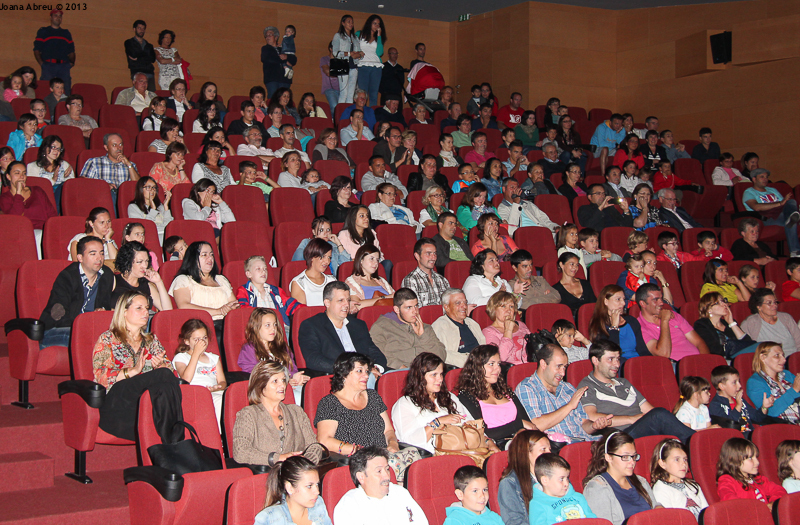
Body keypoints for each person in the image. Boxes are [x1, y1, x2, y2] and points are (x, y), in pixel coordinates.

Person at [91, 291, 180, 441]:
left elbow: (170, 375)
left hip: (143, 406)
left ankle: (171, 441)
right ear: (124, 312)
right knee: (163, 375)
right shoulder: (108, 339)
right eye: (139, 308)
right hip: (116, 406)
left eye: (147, 308)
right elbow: (101, 376)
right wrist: (132, 371)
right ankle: (178, 436)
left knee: (164, 382)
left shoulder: (151, 340)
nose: (146, 312)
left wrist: (158, 365)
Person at [578, 340, 695, 442]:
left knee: (659, 415)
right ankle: (695, 441)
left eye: (618, 359)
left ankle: (693, 439)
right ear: (595, 360)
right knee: (659, 415)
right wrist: (631, 419)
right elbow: (591, 416)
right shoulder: (587, 385)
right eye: (610, 359)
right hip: (620, 436)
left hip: (641, 429)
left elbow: (649, 411)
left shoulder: (624, 383)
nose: (617, 364)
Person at [315, 353, 409, 473]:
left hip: (384, 456)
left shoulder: (373, 396)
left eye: (367, 371)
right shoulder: (330, 403)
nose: (366, 376)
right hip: (357, 461)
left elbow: (388, 431)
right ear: (344, 374)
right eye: (359, 371)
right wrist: (357, 450)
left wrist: (393, 443)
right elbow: (325, 440)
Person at [516, 343, 612, 443]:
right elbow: (537, 426)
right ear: (543, 364)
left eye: (565, 367)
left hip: (584, 441)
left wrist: (594, 426)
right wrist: (569, 406)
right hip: (557, 446)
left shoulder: (568, 388)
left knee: (616, 441)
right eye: (558, 366)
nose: (563, 373)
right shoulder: (527, 388)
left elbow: (584, 424)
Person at [232, 360, 317, 467]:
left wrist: (304, 463)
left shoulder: (297, 412)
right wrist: (278, 458)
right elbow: (240, 452)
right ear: (260, 386)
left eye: (283, 380)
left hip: (297, 472)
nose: (282, 385)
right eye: (275, 381)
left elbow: (314, 446)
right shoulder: (248, 415)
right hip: (266, 473)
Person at [39, 236, 114, 348]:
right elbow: (58, 314)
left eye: (101, 253)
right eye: (93, 254)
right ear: (80, 258)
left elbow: (105, 304)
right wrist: (83, 326)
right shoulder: (67, 277)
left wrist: (102, 310)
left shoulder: (106, 275)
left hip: (90, 330)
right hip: (58, 329)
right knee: (85, 338)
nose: (99, 258)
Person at [391, 352, 474, 453]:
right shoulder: (405, 403)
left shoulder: (449, 397)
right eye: (434, 375)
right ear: (420, 376)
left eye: (441, 374)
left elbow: (469, 421)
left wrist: (487, 441)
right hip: (432, 455)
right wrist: (438, 422)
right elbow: (408, 440)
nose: (440, 379)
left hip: (463, 448)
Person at [457, 345, 536, 449]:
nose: (498, 369)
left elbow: (528, 423)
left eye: (498, 364)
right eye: (491, 364)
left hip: (520, 442)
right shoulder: (467, 396)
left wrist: (521, 430)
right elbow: (485, 433)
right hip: (495, 446)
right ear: (477, 367)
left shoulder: (505, 391)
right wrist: (519, 424)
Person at [168, 241, 239, 351]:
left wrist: (231, 309)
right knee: (221, 336)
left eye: (211, 254)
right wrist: (218, 311)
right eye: (204, 255)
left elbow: (234, 305)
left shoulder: (221, 279)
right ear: (193, 258)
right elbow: (183, 306)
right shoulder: (183, 280)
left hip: (227, 324)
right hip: (201, 327)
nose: (210, 258)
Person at [333, 446, 428, 525]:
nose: (387, 476)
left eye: (387, 469)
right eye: (379, 471)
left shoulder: (400, 493)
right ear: (361, 477)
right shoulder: (350, 505)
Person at [582, 432, 658, 525]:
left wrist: (659, 508)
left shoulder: (641, 482)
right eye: (625, 457)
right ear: (608, 457)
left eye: (634, 456)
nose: (632, 462)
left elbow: (655, 509)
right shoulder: (597, 488)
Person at [172, 319, 225, 425]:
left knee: (231, 399)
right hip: (195, 395)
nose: (202, 342)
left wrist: (217, 387)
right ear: (187, 341)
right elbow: (186, 379)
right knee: (220, 402)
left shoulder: (214, 358)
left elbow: (222, 382)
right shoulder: (181, 358)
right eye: (197, 339)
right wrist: (196, 353)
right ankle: (220, 433)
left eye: (204, 338)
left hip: (215, 392)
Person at [635, 284, 708, 360]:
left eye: (661, 298)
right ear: (643, 304)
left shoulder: (674, 315)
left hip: (697, 361)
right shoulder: (639, 327)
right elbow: (663, 353)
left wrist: (705, 360)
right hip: (676, 364)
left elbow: (698, 342)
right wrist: (664, 320)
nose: (661, 303)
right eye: (655, 300)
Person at [253, 455, 331, 525]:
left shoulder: (318, 504)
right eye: (309, 486)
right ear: (290, 488)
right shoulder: (269, 518)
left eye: (317, 484)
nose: (317, 492)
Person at [497, 431, 552, 525]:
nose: (549, 453)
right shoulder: (510, 483)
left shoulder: (557, 475)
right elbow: (514, 521)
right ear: (526, 453)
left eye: (549, 449)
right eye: (543, 449)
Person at [1, 161, 57, 252]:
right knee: (40, 235)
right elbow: (14, 221)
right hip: (22, 235)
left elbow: (52, 215)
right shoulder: (4, 198)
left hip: (45, 232)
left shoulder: (37, 191)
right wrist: (18, 194)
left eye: (24, 173)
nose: (22, 176)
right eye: (17, 173)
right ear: (8, 177)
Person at [743, 168, 800, 256]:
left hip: (780, 214)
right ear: (754, 179)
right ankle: (795, 251)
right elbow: (756, 207)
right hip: (766, 218)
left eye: (766, 177)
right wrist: (779, 203)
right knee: (790, 218)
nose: (765, 179)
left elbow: (785, 205)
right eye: (762, 177)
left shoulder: (772, 190)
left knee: (791, 204)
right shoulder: (749, 192)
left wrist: (782, 203)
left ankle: (795, 253)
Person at [716, 437, 786, 508]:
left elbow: (779, 490)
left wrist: (773, 503)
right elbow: (730, 501)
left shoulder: (758, 479)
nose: (757, 462)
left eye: (756, 457)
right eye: (750, 458)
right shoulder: (726, 481)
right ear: (734, 460)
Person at [236, 257, 302, 331]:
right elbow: (244, 310)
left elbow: (291, 304)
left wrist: (306, 310)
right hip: (258, 329)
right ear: (249, 274)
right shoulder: (244, 290)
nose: (263, 271)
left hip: (280, 328)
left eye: (265, 269)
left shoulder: (276, 291)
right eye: (258, 269)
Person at [650, 439, 709, 519]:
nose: (684, 464)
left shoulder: (693, 486)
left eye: (685, 459)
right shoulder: (660, 489)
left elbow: (707, 514)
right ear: (662, 463)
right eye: (677, 459)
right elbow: (670, 519)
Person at [529, 454, 596, 525]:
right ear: (545, 480)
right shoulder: (537, 504)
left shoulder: (578, 498)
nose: (566, 483)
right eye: (561, 479)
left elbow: (593, 521)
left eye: (567, 478)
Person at [588, 285, 648, 361]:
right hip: (617, 363)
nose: (623, 303)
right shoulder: (599, 325)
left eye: (623, 299)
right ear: (606, 301)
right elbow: (611, 353)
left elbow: (643, 350)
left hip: (636, 362)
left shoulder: (631, 321)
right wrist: (614, 327)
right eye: (618, 299)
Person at [746, 342, 800, 423]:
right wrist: (794, 390)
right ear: (763, 357)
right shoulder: (755, 382)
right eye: (777, 355)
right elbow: (770, 413)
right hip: (783, 425)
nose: (784, 360)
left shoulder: (787, 374)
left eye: (783, 355)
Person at [111, 240, 171, 313]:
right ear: (127, 263)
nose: (145, 266)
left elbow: (167, 311)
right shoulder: (114, 281)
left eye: (146, 261)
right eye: (139, 262)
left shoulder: (146, 285)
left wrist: (159, 282)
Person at [693, 292, 758, 358]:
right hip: (722, 359)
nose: (724, 304)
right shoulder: (702, 325)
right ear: (709, 309)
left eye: (723, 301)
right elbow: (713, 349)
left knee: (759, 346)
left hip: (738, 357)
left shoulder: (728, 323)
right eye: (717, 303)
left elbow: (749, 344)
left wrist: (731, 323)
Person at [432, 288, 485, 367]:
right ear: (446, 307)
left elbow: (483, 346)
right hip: (462, 368)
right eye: (458, 303)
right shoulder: (439, 326)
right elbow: (443, 354)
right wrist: (470, 360)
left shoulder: (472, 323)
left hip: (481, 364)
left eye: (465, 302)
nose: (464, 306)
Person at [709, 365, 769, 434]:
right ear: (722, 386)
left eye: (739, 381)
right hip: (734, 439)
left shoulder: (739, 400)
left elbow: (757, 418)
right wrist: (738, 406)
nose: (739, 385)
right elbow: (729, 427)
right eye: (734, 382)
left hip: (749, 435)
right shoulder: (715, 405)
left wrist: (764, 407)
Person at [80, 133, 140, 199]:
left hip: (125, 198)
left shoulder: (130, 165)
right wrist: (103, 186)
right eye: (114, 145)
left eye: (120, 144)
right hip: (102, 197)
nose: (119, 148)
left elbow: (139, 187)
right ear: (106, 147)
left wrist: (129, 165)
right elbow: (83, 182)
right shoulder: (94, 162)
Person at [742, 289, 800, 356]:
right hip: (770, 361)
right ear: (759, 307)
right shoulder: (751, 322)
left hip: (793, 358)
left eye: (775, 302)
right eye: (769, 303)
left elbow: (799, 341)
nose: (775, 305)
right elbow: (744, 347)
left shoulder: (786, 318)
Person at [482, 291, 531, 365]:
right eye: (504, 306)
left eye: (511, 307)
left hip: (531, 366)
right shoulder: (488, 332)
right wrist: (508, 331)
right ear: (494, 309)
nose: (508, 310)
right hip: (511, 369)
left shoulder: (521, 325)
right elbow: (501, 358)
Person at [34, 9, 75, 93]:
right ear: (51, 17)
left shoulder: (66, 33)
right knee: (46, 89)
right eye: (55, 15)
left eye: (60, 16)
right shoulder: (43, 31)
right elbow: (37, 49)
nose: (58, 18)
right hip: (48, 65)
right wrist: (42, 64)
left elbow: (71, 50)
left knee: (66, 90)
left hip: (64, 65)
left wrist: (71, 62)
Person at [402, 238, 450, 307]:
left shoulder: (442, 280)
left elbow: (449, 306)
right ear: (417, 256)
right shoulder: (410, 280)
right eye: (428, 253)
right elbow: (413, 309)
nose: (433, 258)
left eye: (435, 253)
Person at [290, 238, 337, 307]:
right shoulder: (299, 283)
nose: (327, 261)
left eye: (329, 257)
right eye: (323, 256)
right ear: (312, 257)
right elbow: (302, 312)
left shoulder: (332, 280)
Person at [552, 252, 596, 322]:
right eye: (572, 264)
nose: (575, 268)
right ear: (561, 265)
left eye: (577, 265)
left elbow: (594, 304)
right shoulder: (556, 289)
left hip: (591, 320)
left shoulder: (585, 284)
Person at [332, 15, 362, 105]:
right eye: (348, 21)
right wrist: (349, 53)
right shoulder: (338, 36)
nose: (351, 24)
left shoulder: (355, 37)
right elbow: (335, 53)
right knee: (343, 93)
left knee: (351, 94)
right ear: (343, 23)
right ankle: (340, 112)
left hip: (354, 66)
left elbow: (359, 52)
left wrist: (359, 54)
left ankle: (348, 112)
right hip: (343, 65)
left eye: (352, 22)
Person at [261, 26, 295, 98]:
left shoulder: (283, 48)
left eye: (270, 34)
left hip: (285, 80)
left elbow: (294, 59)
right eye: (266, 35)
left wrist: (287, 57)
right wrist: (285, 60)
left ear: (276, 37)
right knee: (273, 99)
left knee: (284, 100)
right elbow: (268, 59)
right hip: (272, 79)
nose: (267, 37)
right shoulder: (265, 48)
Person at [320, 42, 341, 111]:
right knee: (334, 106)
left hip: (341, 89)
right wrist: (339, 73)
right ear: (330, 49)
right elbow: (328, 72)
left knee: (341, 108)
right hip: (329, 88)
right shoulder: (324, 59)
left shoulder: (341, 60)